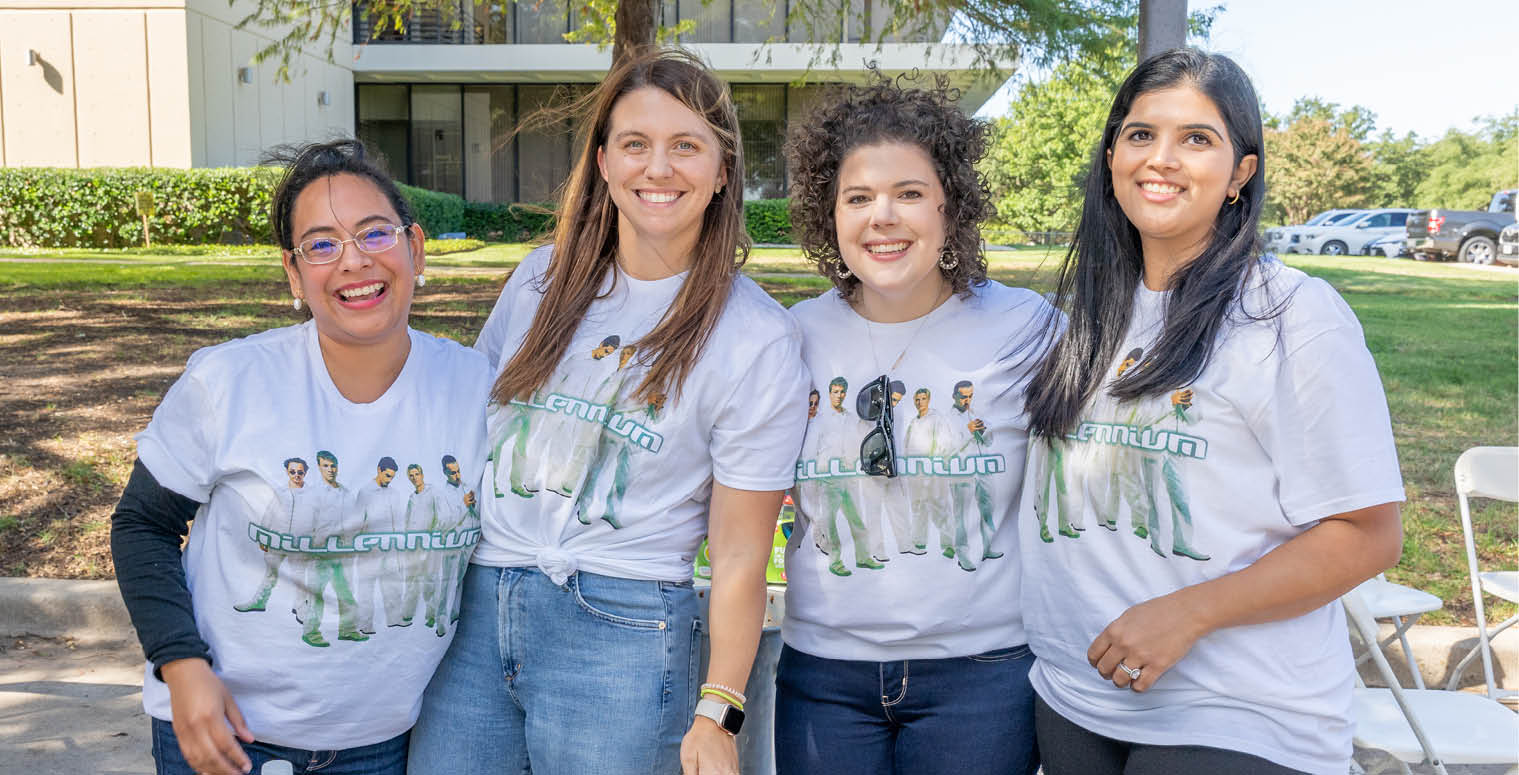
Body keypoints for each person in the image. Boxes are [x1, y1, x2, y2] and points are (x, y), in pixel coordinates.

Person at [407, 48, 810, 775]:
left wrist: (718, 710)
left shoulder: (756, 338)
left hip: (622, 626)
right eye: (635, 144)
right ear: (602, 161)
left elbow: (741, 554)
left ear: (723, 170)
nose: (658, 168)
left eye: (685, 146)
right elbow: (466, 438)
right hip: (476, 609)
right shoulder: (539, 281)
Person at [1018, 49, 1404, 775]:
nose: (1161, 158)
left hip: (1235, 712)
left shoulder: (1291, 315)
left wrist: (1189, 612)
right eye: (1140, 134)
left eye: (1196, 138)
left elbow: (1368, 534)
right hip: (1073, 698)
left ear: (1239, 174)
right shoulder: (1086, 315)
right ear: (1111, 157)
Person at [108, 139, 493, 775]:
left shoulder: (477, 388)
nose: (354, 260)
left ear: (416, 249)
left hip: (388, 748)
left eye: (375, 232)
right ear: (293, 274)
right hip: (228, 737)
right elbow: (142, 524)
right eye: (321, 244)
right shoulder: (229, 382)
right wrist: (181, 665)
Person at [775, 76, 1050, 775]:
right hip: (822, 676)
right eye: (857, 197)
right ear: (829, 213)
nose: (883, 217)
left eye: (908, 193)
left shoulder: (1027, 329)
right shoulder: (790, 337)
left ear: (949, 204)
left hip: (982, 676)